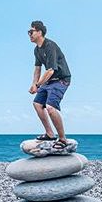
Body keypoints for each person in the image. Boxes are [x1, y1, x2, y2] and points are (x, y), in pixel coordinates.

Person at [28, 20, 72, 149]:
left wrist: (38, 84)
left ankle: (63, 139)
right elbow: (37, 69)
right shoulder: (37, 50)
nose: (29, 34)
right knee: (37, 104)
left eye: (31, 32)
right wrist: (33, 84)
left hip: (61, 79)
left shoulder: (50, 46)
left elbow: (50, 70)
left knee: (50, 108)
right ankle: (50, 133)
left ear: (39, 32)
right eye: (28, 32)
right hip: (49, 80)